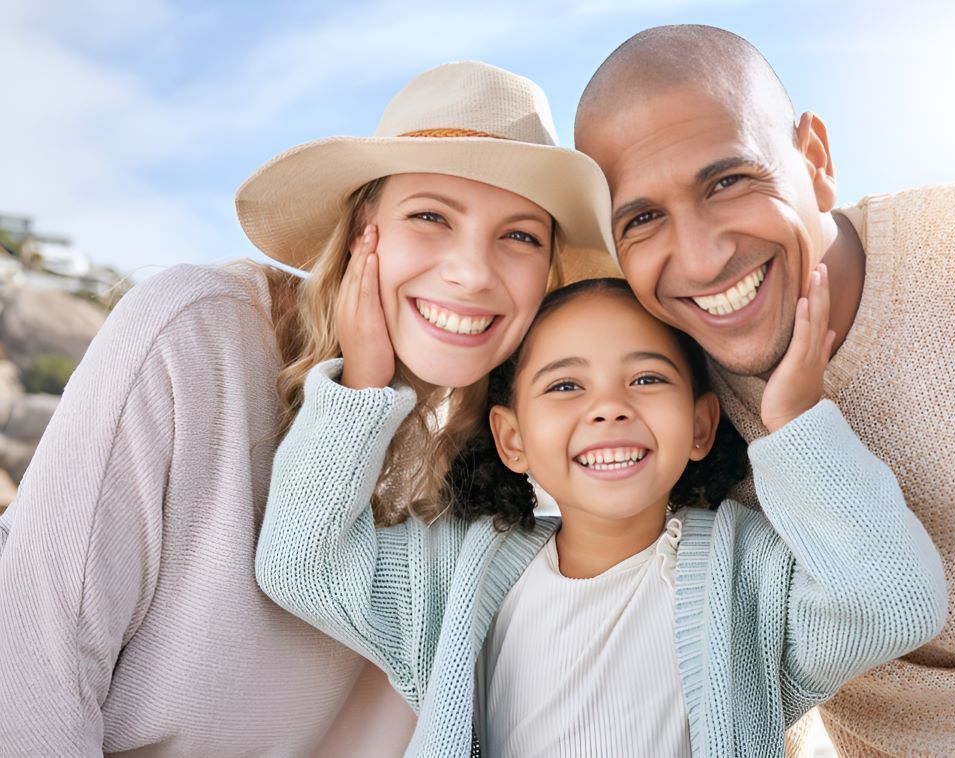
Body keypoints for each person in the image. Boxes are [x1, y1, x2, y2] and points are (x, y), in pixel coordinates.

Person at [572, 24, 955, 758]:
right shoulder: (667, 404)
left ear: (814, 160)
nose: (704, 257)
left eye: (728, 181)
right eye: (644, 218)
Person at [0, 60, 614, 756]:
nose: (473, 271)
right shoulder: (195, 336)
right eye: (430, 216)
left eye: (521, 235)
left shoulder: (489, 467)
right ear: (361, 230)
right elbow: (32, 673)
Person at [256, 275, 947, 757]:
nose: (610, 406)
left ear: (702, 426)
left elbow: (894, 602)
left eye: (647, 378)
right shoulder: (456, 576)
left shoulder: (752, 580)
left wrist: (795, 424)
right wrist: (363, 386)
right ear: (512, 438)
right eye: (564, 385)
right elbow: (300, 565)